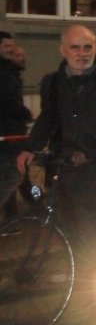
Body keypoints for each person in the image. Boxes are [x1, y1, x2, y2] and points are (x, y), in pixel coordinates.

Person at [18, 24, 96, 244]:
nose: (82, 54)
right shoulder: (53, 82)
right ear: (63, 50)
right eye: (75, 48)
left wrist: (91, 150)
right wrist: (31, 147)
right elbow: (49, 117)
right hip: (68, 169)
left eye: (88, 47)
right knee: (72, 228)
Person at [0, 31, 31, 212]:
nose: (11, 50)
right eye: (7, 46)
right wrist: (25, 113)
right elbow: (9, 103)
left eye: (12, 46)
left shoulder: (10, 72)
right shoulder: (6, 74)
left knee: (16, 174)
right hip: (9, 133)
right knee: (14, 174)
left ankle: (14, 212)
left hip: (11, 132)